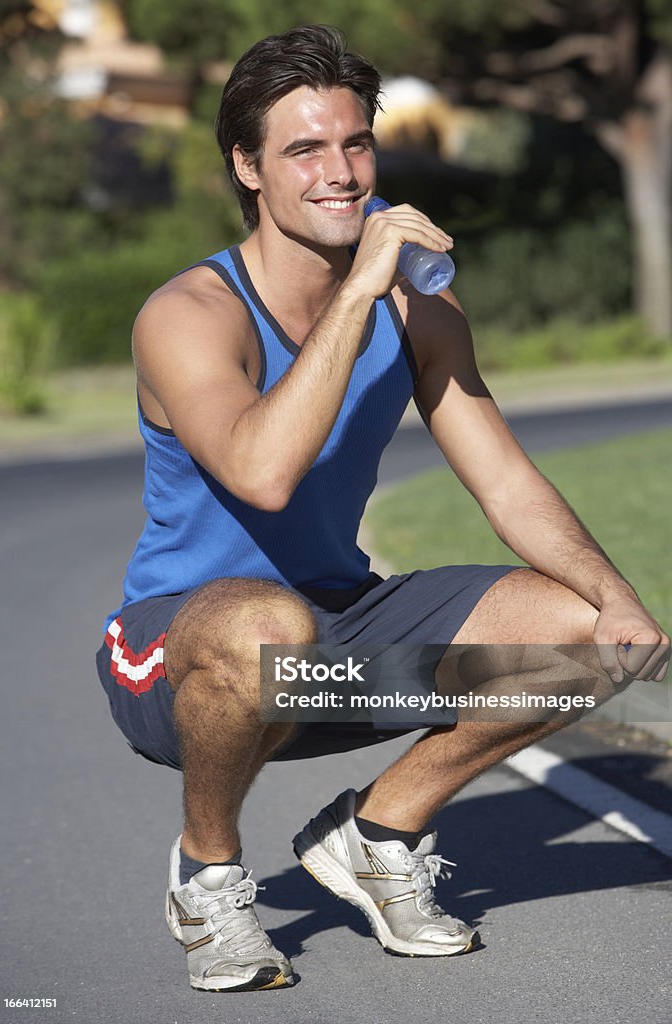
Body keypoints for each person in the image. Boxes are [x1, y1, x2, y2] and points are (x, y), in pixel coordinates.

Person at [96, 24, 669, 993]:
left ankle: (379, 829)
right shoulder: (189, 314)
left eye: (355, 142)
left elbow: (502, 480)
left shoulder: (418, 308)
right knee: (262, 622)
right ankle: (206, 873)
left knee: (580, 625)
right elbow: (262, 472)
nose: (340, 171)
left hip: (329, 656)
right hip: (178, 661)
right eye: (303, 150)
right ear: (247, 166)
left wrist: (619, 605)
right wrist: (359, 289)